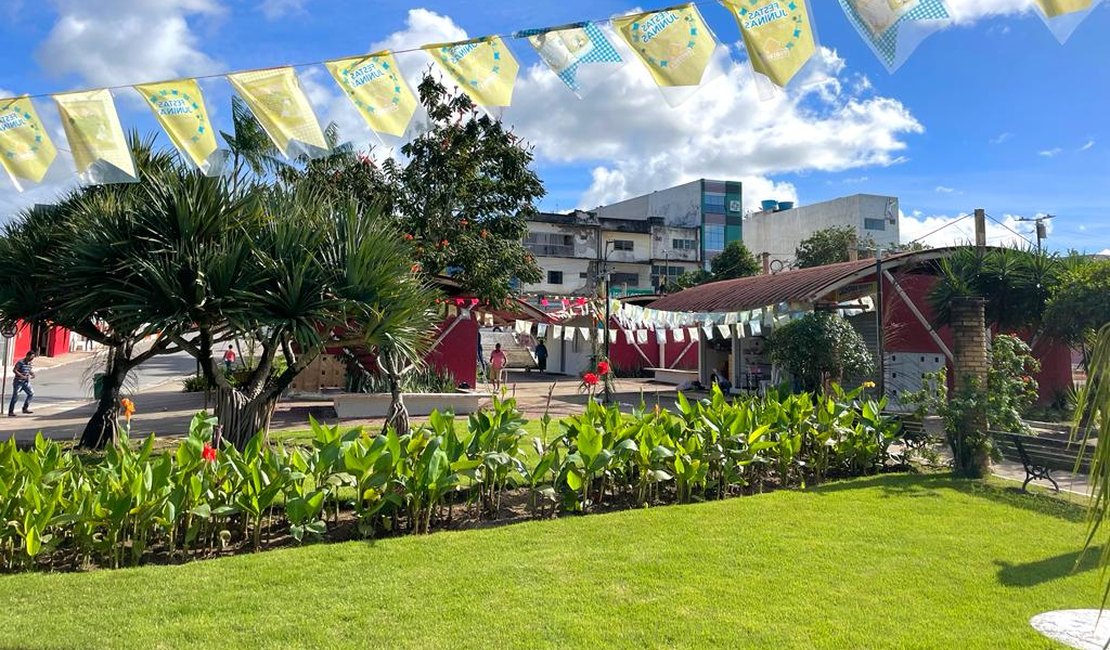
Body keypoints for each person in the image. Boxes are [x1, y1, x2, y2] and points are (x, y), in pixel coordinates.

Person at [9, 351, 36, 416]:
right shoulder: (20, 362)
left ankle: (25, 408)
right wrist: (21, 376)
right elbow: (15, 370)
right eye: (31, 357)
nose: (32, 359)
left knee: (31, 393)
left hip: (26, 382)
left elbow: (29, 370)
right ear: (27, 356)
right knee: (15, 396)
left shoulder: (30, 363)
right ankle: (10, 412)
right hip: (18, 382)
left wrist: (32, 374)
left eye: (33, 357)